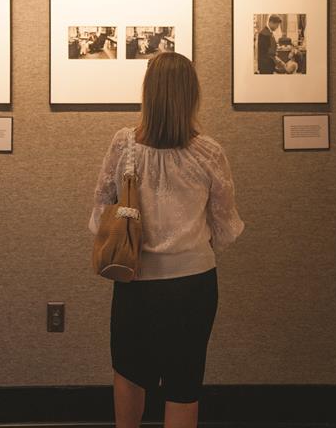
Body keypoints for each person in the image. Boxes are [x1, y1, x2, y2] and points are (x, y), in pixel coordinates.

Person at [88, 52, 245, 428]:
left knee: (129, 371)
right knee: (183, 383)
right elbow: (225, 226)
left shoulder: (124, 144)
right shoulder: (209, 153)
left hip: (135, 278)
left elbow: (100, 214)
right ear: (192, 95)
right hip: (194, 284)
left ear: (148, 92)